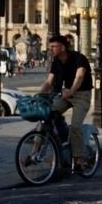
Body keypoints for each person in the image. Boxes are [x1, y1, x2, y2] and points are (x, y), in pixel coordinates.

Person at [38, 35, 93, 169]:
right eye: (49, 46)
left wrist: (71, 90)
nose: (50, 49)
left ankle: (79, 158)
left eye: (53, 46)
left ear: (62, 47)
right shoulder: (56, 61)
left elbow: (79, 76)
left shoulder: (79, 58)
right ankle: (34, 153)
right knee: (45, 118)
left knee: (75, 126)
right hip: (65, 95)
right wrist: (39, 95)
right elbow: (49, 81)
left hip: (81, 95)